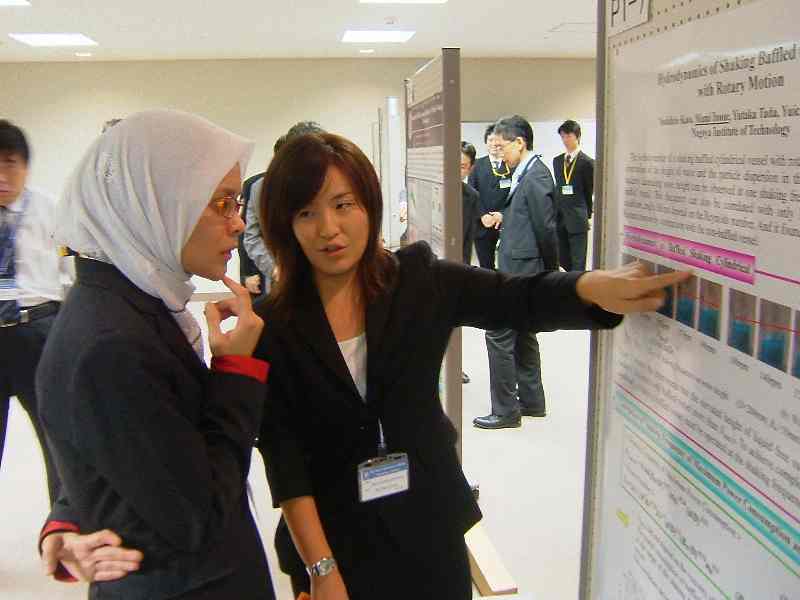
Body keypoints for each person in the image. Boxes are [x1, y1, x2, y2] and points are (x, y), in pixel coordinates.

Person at [254, 131, 689, 598]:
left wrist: (588, 287)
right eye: (306, 213)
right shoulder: (272, 326)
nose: (328, 228)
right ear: (284, 225)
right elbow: (284, 458)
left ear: (369, 205)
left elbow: (515, 297)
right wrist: (322, 569)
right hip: (333, 541)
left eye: (343, 204)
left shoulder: (417, 282)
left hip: (428, 521)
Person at [36, 110, 276, 599]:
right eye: (222, 203)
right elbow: (199, 515)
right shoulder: (114, 343)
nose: (237, 224)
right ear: (157, 203)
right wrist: (235, 372)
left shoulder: (134, 302)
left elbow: (126, 448)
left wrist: (66, 514)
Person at [0, 120, 71, 506]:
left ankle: (64, 522)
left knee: (57, 438)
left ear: (26, 167)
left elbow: (72, 274)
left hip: (39, 331)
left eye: (9, 163)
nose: (1, 176)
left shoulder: (50, 210)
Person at [474, 115, 560, 430]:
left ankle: (506, 410)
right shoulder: (525, 173)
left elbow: (546, 229)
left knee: (497, 333)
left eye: (502, 146)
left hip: (523, 270)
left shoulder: (536, 175)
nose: (499, 154)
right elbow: (527, 215)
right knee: (523, 332)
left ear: (520, 143)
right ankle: (533, 401)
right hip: (518, 265)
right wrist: (506, 216)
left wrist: (550, 274)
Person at [244, 122, 325, 298]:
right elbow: (251, 237)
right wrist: (274, 269)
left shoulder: (334, 184)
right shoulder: (261, 189)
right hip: (282, 284)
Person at [468, 124, 513, 270]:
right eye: (490, 140)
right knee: (486, 267)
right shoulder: (476, 165)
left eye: (497, 140)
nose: (494, 144)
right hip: (483, 224)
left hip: (505, 223)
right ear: (486, 142)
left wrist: (503, 214)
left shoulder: (511, 165)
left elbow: (515, 194)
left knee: (508, 265)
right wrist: (483, 215)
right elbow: (472, 192)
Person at [553, 120, 594, 271]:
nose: (565, 140)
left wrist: (587, 215)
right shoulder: (557, 161)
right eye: (563, 136)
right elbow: (558, 187)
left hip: (577, 217)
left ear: (577, 136)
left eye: (568, 136)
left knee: (578, 261)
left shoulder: (587, 162)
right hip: (560, 217)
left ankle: (578, 285)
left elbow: (588, 191)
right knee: (562, 261)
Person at [460, 142, 480, 384]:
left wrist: (464, 271)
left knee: (455, 320)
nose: (458, 170)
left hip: (456, 266)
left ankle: (455, 364)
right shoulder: (434, 188)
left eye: (463, 166)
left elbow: (468, 239)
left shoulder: (471, 196)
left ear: (471, 168)